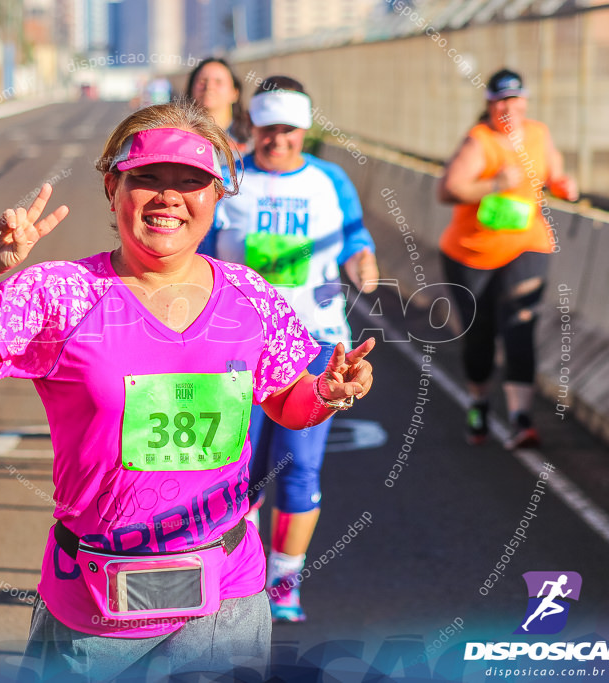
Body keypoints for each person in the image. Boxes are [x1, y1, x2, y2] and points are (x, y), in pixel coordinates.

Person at [0, 100, 375, 680]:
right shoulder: (64, 293)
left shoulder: (249, 296)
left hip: (225, 596)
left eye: (191, 182)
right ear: (113, 188)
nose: (168, 197)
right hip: (95, 606)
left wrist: (329, 391)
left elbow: (287, 401)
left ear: (218, 195)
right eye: (146, 179)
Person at [208, 75, 380, 623]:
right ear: (252, 126)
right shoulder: (231, 180)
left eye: (288, 130)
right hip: (239, 347)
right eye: (267, 129)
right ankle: (242, 571)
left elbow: (355, 236)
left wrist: (363, 264)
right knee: (240, 469)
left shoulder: (330, 179)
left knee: (301, 468)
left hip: (317, 343)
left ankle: (285, 579)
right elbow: (202, 250)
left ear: (304, 129)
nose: (277, 140)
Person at [438, 68, 578, 450]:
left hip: (526, 245)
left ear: (525, 102)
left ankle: (521, 420)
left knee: (520, 327)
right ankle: (479, 403)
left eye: (516, 100)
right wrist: (495, 183)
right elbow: (448, 189)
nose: (509, 108)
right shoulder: (479, 141)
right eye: (502, 101)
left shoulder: (538, 133)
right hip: (471, 253)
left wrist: (564, 184)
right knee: (479, 337)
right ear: (489, 104)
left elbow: (554, 171)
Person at [184, 57, 251, 152]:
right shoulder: (180, 137)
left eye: (218, 82)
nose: (209, 87)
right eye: (202, 81)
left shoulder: (252, 137)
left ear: (235, 93)